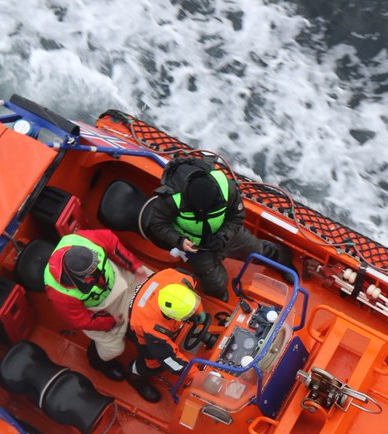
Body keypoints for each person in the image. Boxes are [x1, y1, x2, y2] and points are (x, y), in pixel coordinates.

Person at [141, 156, 291, 300]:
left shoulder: (228, 188)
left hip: (228, 235)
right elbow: (158, 224)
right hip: (196, 247)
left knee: (259, 250)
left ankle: (285, 262)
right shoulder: (169, 199)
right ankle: (218, 297)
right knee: (215, 283)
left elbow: (237, 217)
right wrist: (180, 241)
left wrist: (224, 236)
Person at [43, 229, 153, 385]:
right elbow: (81, 320)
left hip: (120, 278)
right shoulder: (60, 293)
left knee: (154, 283)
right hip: (100, 309)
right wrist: (111, 321)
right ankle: (97, 362)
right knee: (113, 349)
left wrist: (135, 267)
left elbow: (115, 247)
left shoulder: (86, 239)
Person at [126, 268, 206, 403]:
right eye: (188, 314)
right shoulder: (153, 329)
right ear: (172, 316)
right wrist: (196, 376)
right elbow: (168, 358)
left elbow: (190, 293)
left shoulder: (182, 279)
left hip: (146, 300)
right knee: (153, 363)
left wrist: (199, 312)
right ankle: (135, 375)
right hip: (143, 332)